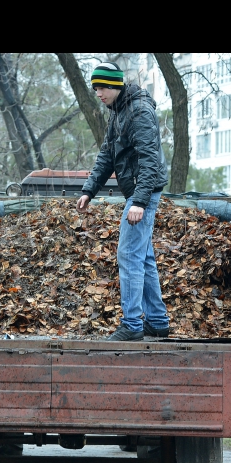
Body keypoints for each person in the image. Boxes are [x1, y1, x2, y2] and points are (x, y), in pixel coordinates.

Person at [76, 62, 170, 341]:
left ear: (115, 85)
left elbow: (150, 159)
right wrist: (88, 190)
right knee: (144, 258)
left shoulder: (139, 111)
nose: (98, 93)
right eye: (95, 88)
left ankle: (132, 324)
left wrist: (139, 201)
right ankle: (157, 320)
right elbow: (107, 155)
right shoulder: (118, 111)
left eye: (102, 87)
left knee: (128, 256)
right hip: (138, 192)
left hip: (144, 192)